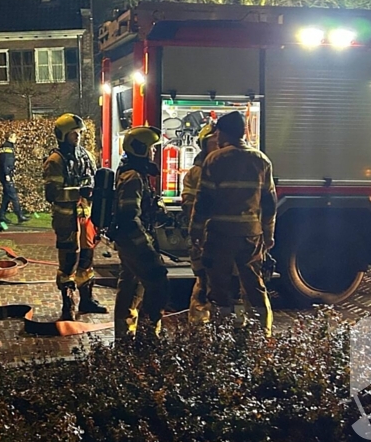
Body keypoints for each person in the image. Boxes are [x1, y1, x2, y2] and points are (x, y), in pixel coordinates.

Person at [189, 111, 276, 336]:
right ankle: (262, 335)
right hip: (250, 236)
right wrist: (268, 235)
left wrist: (195, 232)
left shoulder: (215, 159)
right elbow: (269, 203)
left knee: (220, 290)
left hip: (220, 236)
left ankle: (223, 335)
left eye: (217, 132)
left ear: (223, 133)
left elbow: (203, 201)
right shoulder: (261, 160)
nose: (215, 137)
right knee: (254, 287)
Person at [43, 114, 107, 321]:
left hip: (86, 219)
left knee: (87, 260)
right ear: (62, 135)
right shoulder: (55, 161)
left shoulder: (86, 155)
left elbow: (94, 181)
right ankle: (67, 305)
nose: (77, 137)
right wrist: (79, 192)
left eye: (79, 133)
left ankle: (87, 300)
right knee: (68, 263)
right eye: (73, 134)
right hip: (66, 220)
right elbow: (52, 194)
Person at [112, 125, 169, 341]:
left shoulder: (134, 173)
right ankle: (148, 336)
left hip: (129, 242)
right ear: (140, 149)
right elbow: (129, 217)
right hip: (134, 242)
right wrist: (145, 248)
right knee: (158, 281)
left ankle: (124, 336)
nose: (153, 152)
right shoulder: (133, 177)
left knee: (130, 285)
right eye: (151, 148)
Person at [181, 121, 219, 325]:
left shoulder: (225, 167)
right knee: (204, 283)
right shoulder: (197, 172)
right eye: (214, 142)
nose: (218, 145)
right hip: (204, 237)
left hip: (220, 235)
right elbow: (190, 206)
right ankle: (198, 328)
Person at [0, 132, 31, 226]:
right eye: (15, 136)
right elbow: (5, 162)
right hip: (6, 175)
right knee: (13, 195)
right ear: (10, 137)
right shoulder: (7, 148)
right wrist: (7, 174)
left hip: (4, 174)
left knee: (7, 196)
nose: (16, 138)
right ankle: (20, 215)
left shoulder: (5, 147)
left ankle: (1, 216)